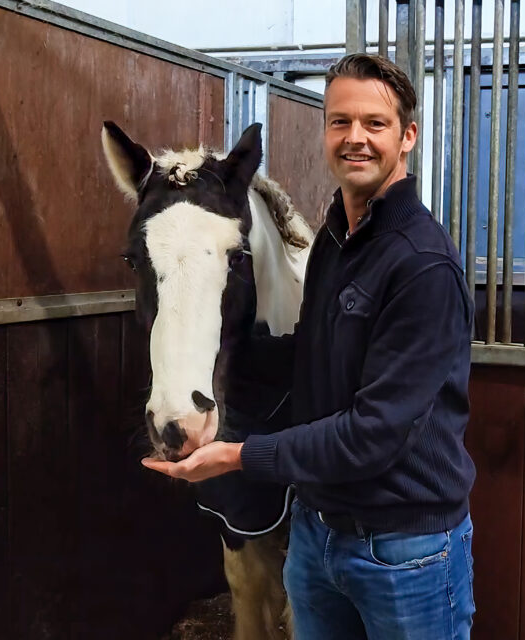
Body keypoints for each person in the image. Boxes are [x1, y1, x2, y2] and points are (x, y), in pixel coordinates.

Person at [143, 53, 477, 639]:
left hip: (403, 548)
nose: (355, 138)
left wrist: (237, 455)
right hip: (319, 534)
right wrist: (207, 378)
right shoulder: (332, 241)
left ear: (407, 137)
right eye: (340, 121)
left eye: (375, 123)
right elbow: (312, 357)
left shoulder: (423, 264)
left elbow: (373, 433)